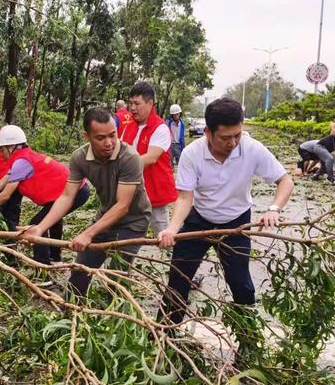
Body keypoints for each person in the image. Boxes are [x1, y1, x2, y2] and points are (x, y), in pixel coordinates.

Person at [158, 98, 294, 326]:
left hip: (235, 224)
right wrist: (172, 228)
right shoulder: (192, 154)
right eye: (225, 137)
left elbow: (285, 181)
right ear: (208, 132)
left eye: (237, 135)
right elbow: (185, 197)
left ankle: (248, 339)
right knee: (178, 280)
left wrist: (273, 209)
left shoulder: (251, 149)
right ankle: (163, 336)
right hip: (198, 220)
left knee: (241, 283)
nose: (232, 143)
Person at [24, 107, 151, 297]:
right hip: (105, 216)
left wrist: (88, 234)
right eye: (100, 138)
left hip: (133, 221)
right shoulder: (79, 158)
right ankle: (73, 311)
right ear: (86, 136)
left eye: (112, 135)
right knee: (80, 272)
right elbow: (67, 197)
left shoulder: (130, 158)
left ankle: (115, 316)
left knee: (116, 276)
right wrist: (41, 227)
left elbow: (123, 205)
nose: (109, 143)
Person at [0, 125, 89, 264]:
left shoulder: (22, 162)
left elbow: (5, 195)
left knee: (36, 223)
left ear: (12, 147)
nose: (1, 153)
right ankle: (55, 258)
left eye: (2, 149)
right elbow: (0, 183)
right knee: (52, 219)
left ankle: (43, 264)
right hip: (65, 193)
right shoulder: (22, 158)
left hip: (76, 192)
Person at [119, 82, 178, 236]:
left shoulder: (160, 128)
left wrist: (122, 167)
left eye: (137, 103)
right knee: (127, 235)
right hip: (132, 192)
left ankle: (171, 259)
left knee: (163, 234)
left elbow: (151, 158)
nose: (132, 108)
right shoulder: (128, 127)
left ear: (150, 103)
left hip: (154, 191)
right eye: (131, 103)